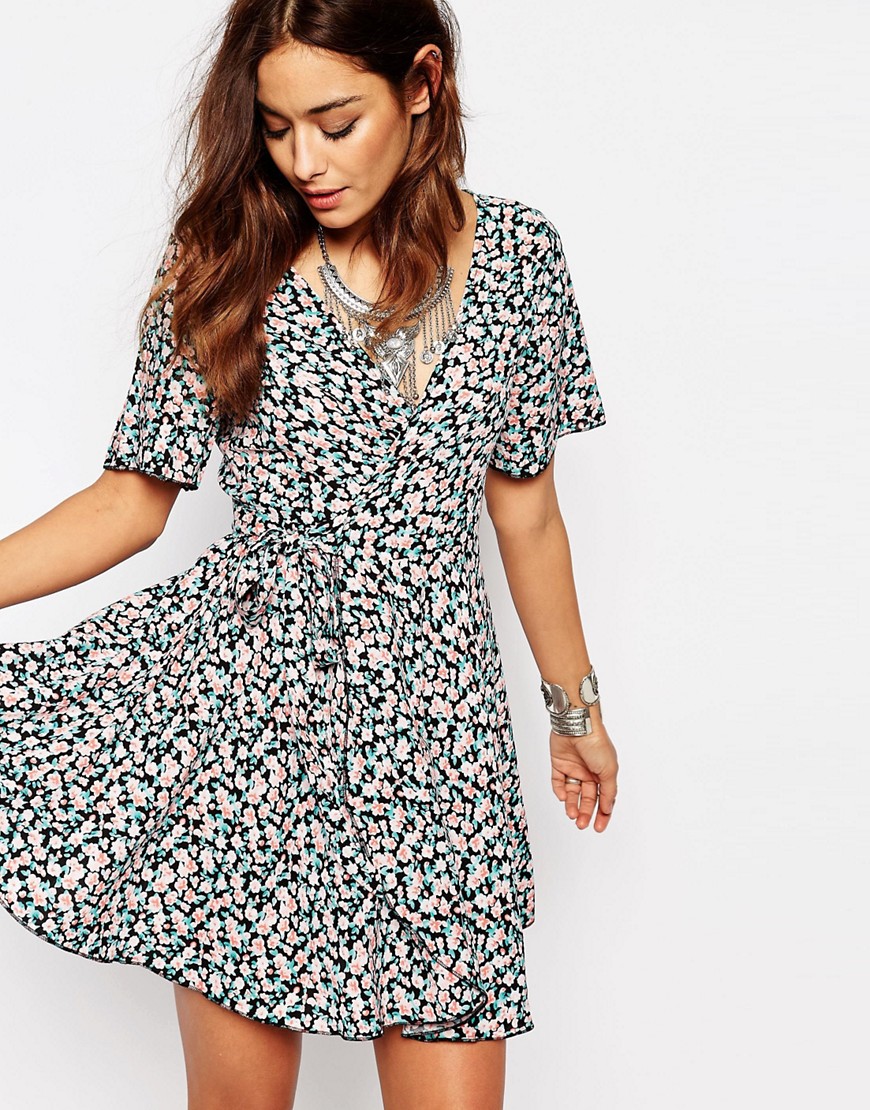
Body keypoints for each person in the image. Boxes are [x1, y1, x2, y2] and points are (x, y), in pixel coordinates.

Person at [0, 0, 619, 1106]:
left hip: (441, 737)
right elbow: (132, 499)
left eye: (336, 123)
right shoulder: (229, 256)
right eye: (277, 128)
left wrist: (575, 712)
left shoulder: (523, 260)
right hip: (250, 722)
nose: (304, 163)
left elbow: (525, 511)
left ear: (421, 85)